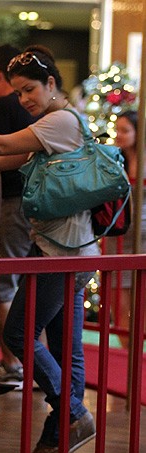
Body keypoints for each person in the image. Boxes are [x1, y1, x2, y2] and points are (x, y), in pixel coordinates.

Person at [0, 45, 97, 453]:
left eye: (30, 89)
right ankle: (57, 438)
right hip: (66, 249)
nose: (24, 99)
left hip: (62, 253)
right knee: (68, 352)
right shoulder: (55, 125)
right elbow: (1, 156)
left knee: (17, 334)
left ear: (52, 83)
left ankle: (72, 414)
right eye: (18, 92)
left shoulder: (62, 122)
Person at [0, 44, 38, 387]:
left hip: (13, 202)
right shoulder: (37, 111)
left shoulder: (4, 106)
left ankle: (13, 361)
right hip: (29, 204)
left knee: (5, 283)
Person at [105, 110, 144, 347]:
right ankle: (129, 355)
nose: (119, 135)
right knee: (119, 303)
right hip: (118, 235)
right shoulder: (114, 159)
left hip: (142, 237)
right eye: (117, 129)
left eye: (125, 130)